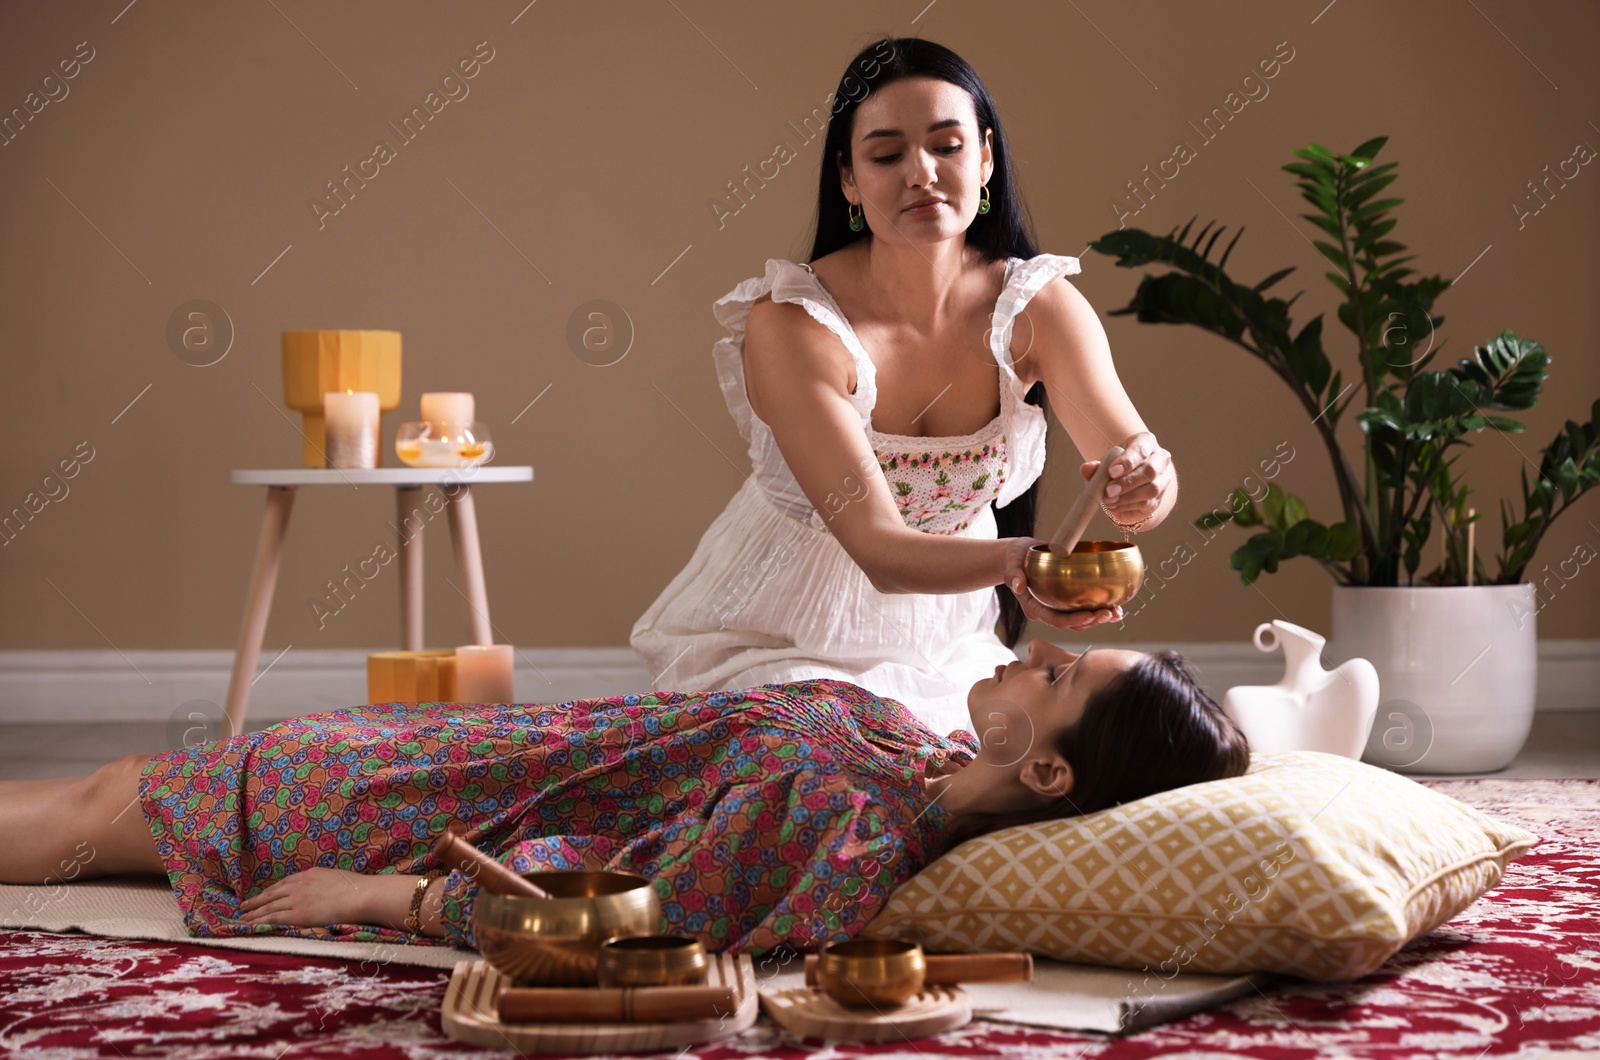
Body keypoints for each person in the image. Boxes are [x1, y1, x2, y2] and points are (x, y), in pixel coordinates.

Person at [0, 642, 1246, 957]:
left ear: (1046, 768)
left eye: (1060, 676)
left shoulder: (850, 827)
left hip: (400, 810)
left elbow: (641, 920)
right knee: (103, 795)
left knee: (101, 805)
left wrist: (391, 893)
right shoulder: (906, 747)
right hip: (447, 753)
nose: (1037, 649)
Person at [631, 37, 1178, 737]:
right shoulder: (793, 323)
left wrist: (1146, 485)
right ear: (850, 181)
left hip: (946, 643)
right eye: (887, 155)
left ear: (985, 160)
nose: (921, 172)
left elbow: (1130, 465)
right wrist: (1019, 564)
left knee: (1000, 779)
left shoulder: (1038, 308)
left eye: (947, 146)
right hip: (779, 638)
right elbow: (881, 549)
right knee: (828, 759)